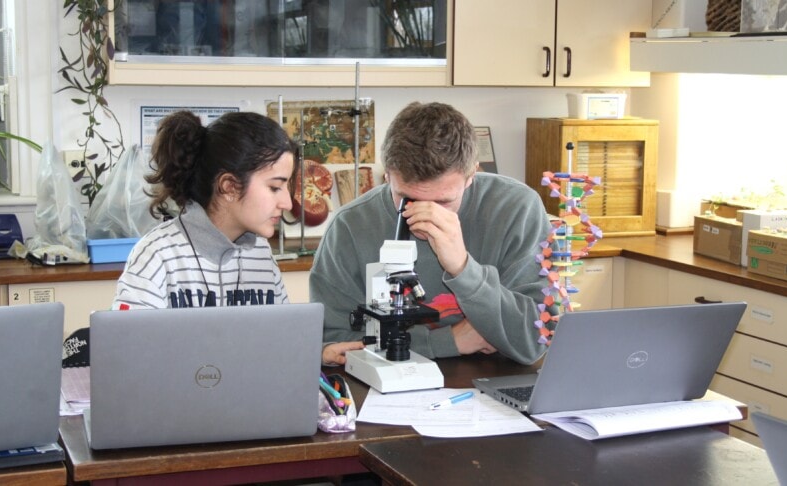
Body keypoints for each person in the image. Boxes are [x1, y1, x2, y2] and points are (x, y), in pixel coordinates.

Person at [313, 101, 552, 366]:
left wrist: (463, 269)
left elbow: (534, 340)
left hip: (494, 384)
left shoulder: (516, 210)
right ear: (387, 176)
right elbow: (334, 345)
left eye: (443, 202)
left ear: (472, 174)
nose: (425, 216)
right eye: (407, 200)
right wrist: (448, 341)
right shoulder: (350, 227)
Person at [113, 110, 296, 310]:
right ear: (229, 186)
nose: (287, 203)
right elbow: (127, 340)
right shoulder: (156, 254)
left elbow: (284, 337)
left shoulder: (261, 253)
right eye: (275, 187)